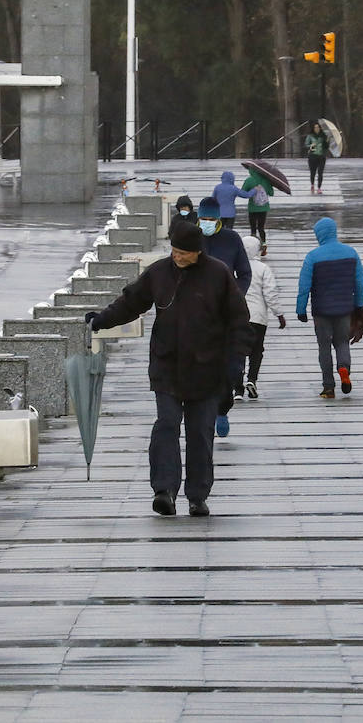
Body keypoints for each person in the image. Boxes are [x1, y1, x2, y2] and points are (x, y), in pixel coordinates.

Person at [85, 219, 251, 517]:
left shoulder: (218, 275)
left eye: (184, 252)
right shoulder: (160, 273)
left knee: (200, 433)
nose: (177, 256)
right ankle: (164, 491)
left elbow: (240, 322)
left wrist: (235, 367)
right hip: (167, 367)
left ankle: (197, 496)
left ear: (198, 251)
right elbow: (131, 302)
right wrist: (101, 319)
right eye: (174, 250)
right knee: (166, 426)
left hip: (207, 370)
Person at [196, 197, 251, 433]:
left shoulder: (232, 239)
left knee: (229, 367)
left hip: (226, 314)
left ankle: (222, 409)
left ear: (218, 219)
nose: (207, 223)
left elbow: (245, 273)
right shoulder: (191, 238)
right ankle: (203, 413)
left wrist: (234, 295)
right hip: (197, 314)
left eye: (211, 219)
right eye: (203, 219)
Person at [296, 216, 363, 399]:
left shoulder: (312, 257)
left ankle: (328, 387)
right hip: (344, 309)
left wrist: (300, 309)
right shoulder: (351, 253)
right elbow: (359, 282)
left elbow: (304, 286)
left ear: (319, 234)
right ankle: (344, 368)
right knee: (342, 342)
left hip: (321, 311)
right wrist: (359, 305)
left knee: (324, 347)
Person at [241, 235, 286, 400]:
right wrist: (279, 314)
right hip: (258, 318)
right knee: (256, 350)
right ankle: (252, 379)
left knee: (237, 351)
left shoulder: (233, 268)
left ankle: (237, 386)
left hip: (237, 317)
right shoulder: (262, 268)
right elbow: (270, 292)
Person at [240, 167, 275, 247]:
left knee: (253, 228)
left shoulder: (249, 180)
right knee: (261, 228)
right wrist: (269, 185)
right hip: (264, 208)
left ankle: (253, 245)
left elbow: (243, 192)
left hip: (252, 208)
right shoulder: (266, 180)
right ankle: (264, 244)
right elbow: (271, 193)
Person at [305, 121, 329, 194]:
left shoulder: (324, 136)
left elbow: (326, 147)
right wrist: (311, 146)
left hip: (321, 157)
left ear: (320, 128)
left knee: (320, 172)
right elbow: (306, 144)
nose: (316, 129)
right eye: (315, 127)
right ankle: (312, 185)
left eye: (318, 127)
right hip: (312, 156)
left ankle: (319, 188)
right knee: (313, 172)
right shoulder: (310, 136)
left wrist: (327, 142)